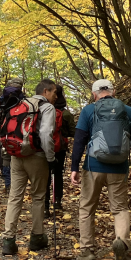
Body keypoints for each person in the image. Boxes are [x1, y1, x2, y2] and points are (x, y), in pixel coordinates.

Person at [70, 79, 131, 260]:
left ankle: (87, 250)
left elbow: (79, 140)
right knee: (119, 208)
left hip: (93, 166)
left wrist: (74, 167)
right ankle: (121, 242)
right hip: (119, 167)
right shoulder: (127, 110)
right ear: (113, 91)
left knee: (87, 207)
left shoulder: (89, 110)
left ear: (94, 94)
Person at [1, 79, 59, 255]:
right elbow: (45, 134)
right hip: (37, 156)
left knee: (14, 197)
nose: (56, 96)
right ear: (45, 91)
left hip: (17, 156)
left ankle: (8, 240)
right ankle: (37, 237)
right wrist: (51, 158)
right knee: (38, 197)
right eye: (54, 92)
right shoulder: (47, 107)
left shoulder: (21, 104)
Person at [45, 83, 75, 217]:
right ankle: (57, 201)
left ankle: (45, 207)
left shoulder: (44, 111)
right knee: (58, 174)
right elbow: (73, 132)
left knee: (45, 176)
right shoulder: (66, 114)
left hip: (45, 147)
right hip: (60, 148)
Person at [0, 77, 25, 192]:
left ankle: (8, 184)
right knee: (17, 154)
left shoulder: (2, 98)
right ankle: (17, 183)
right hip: (19, 130)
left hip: (3, 130)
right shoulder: (24, 98)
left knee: (4, 156)